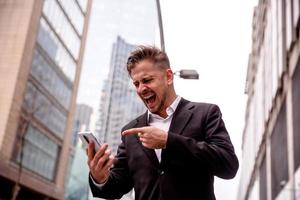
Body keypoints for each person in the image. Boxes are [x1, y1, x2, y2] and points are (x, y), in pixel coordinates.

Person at [87, 46, 239, 200]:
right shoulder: (131, 132)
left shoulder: (205, 114)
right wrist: (100, 177)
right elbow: (117, 187)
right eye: (136, 84)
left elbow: (228, 165)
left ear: (168, 77)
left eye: (147, 80)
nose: (141, 89)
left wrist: (169, 141)